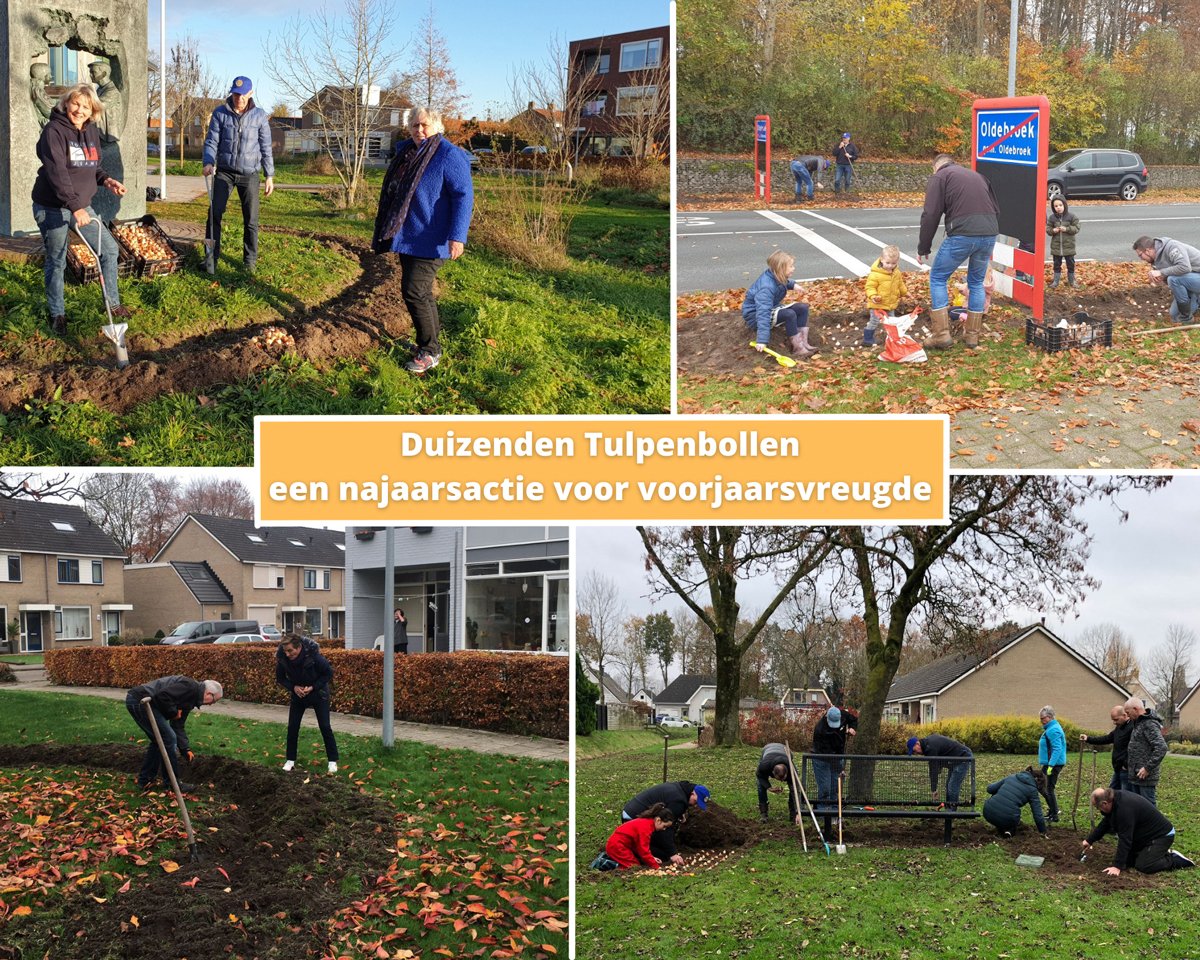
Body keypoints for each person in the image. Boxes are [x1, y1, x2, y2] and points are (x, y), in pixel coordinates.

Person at [371, 107, 474, 374]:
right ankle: (429, 344)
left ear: (437, 126)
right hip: (409, 236)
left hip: (432, 237)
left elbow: (463, 196)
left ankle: (430, 351)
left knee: (414, 291)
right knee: (421, 292)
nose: (419, 130)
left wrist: (457, 236)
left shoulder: (449, 155)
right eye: (414, 125)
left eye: (425, 125)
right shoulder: (407, 152)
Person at [31, 83, 131, 337]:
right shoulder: (54, 131)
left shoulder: (91, 131)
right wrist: (75, 206)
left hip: (81, 206)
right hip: (53, 206)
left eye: (86, 106)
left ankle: (113, 304)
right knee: (57, 258)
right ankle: (57, 313)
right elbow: (57, 172)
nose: (79, 110)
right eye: (75, 103)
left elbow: (91, 165)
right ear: (66, 104)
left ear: (93, 110)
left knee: (108, 250)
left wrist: (107, 180)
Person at [916, 154, 1000, 351]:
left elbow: (931, 214)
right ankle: (972, 337)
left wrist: (923, 247)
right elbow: (996, 208)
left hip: (963, 233)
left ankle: (941, 335)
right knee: (976, 283)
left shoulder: (940, 177)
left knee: (938, 277)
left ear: (935, 167)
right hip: (989, 232)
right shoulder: (977, 176)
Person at [202, 76, 275, 274]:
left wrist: (269, 175)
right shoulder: (220, 113)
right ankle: (211, 259)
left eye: (242, 95)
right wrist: (208, 162)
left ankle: (249, 263)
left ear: (250, 94)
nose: (238, 99)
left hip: (250, 174)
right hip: (224, 173)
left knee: (251, 220)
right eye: (235, 94)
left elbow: (266, 147)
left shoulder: (260, 116)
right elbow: (211, 141)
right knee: (213, 215)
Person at [126, 676, 223, 792]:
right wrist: (173, 712)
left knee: (160, 741)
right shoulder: (189, 687)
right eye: (214, 700)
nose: (212, 704)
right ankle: (172, 784)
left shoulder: (192, 699)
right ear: (209, 693)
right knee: (168, 738)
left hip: (143, 701)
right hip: (140, 700)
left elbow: (178, 725)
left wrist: (185, 748)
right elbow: (163, 696)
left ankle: (145, 780)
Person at [1082, 788, 1195, 876]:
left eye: (1097, 807)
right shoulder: (1114, 800)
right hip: (1144, 835)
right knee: (1129, 862)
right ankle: (1154, 853)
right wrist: (1090, 840)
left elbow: (1125, 838)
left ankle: (1173, 858)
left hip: (1162, 835)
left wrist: (1117, 866)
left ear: (1104, 803)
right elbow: (1106, 823)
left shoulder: (1124, 810)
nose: (1099, 810)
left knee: (1144, 866)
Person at [276, 633, 340, 774]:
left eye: (290, 651)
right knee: (293, 726)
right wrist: (293, 687)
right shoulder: (282, 659)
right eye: (285, 651)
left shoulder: (314, 656)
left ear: (299, 648)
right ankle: (290, 760)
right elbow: (280, 678)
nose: (287, 654)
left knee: (325, 726)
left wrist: (313, 687)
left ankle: (332, 761)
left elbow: (328, 673)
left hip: (318, 693)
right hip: (298, 695)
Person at [742, 250, 817, 358]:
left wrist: (793, 285)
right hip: (754, 315)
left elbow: (783, 282)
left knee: (802, 307)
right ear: (781, 269)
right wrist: (762, 340)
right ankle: (797, 348)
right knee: (789, 314)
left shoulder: (776, 276)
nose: (793, 268)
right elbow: (763, 313)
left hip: (772, 307)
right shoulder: (766, 288)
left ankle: (803, 343)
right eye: (791, 266)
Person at [621, 780, 710, 866]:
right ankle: (632, 849)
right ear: (693, 793)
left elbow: (669, 805)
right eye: (696, 801)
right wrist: (672, 853)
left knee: (662, 844)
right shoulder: (678, 802)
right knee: (662, 855)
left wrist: (679, 813)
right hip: (632, 819)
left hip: (630, 811)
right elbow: (667, 828)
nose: (696, 805)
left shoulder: (681, 788)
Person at [1132, 235, 1200, 324]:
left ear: (1147, 251)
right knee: (1174, 315)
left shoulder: (1172, 247)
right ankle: (1196, 299)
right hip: (1191, 281)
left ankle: (1187, 319)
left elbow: (1185, 267)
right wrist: (1163, 278)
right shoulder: (1154, 260)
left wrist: (1161, 272)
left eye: (1140, 255)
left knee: (1173, 279)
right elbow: (1173, 279)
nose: (1141, 259)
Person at [811, 706, 856, 820]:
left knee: (836, 785)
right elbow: (828, 753)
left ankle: (835, 811)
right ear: (826, 717)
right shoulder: (820, 730)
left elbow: (854, 720)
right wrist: (840, 768)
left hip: (837, 755)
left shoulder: (843, 715)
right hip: (822, 758)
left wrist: (851, 728)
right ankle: (823, 813)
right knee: (825, 786)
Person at [907, 733, 973, 808]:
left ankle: (951, 812)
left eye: (914, 751)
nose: (916, 753)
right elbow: (941, 753)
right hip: (955, 760)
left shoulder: (930, 748)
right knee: (949, 785)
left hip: (963, 758)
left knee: (952, 786)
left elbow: (933, 770)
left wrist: (934, 790)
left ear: (917, 743)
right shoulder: (927, 744)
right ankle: (949, 808)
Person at [1123, 696, 1168, 806]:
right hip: (1136, 775)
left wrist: (1147, 768)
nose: (1127, 716)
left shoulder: (1149, 724)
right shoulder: (1138, 723)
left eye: (1128, 713)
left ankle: (1159, 824)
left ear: (1135, 709)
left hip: (1145, 777)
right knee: (1138, 809)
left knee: (1149, 809)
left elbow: (1161, 747)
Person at [604, 803, 676, 869]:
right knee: (633, 867)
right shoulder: (646, 828)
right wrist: (656, 867)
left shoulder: (647, 823)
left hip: (619, 845)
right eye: (664, 826)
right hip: (617, 846)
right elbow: (643, 850)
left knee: (633, 864)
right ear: (658, 820)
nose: (664, 829)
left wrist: (652, 858)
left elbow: (639, 846)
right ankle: (607, 865)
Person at [982, 766, 1049, 838]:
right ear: (1038, 781)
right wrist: (1043, 832)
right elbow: (1038, 815)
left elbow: (989, 789)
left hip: (987, 811)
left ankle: (1001, 829)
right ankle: (1009, 831)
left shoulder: (1012, 777)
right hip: (1007, 818)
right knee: (1012, 816)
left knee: (1005, 810)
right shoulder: (1032, 790)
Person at [1081, 704, 1134, 793]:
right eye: (1113, 720)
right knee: (1111, 793)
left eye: (1116, 719)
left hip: (1126, 770)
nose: (1114, 722)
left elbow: (1134, 748)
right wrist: (1088, 739)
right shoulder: (1119, 727)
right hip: (1117, 768)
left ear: (1124, 715)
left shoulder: (1132, 728)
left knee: (1125, 794)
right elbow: (1107, 738)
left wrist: (1126, 764)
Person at [863, 245, 908, 346]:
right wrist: (873, 296)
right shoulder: (875, 274)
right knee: (874, 321)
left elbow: (900, 284)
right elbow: (870, 287)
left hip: (890, 304)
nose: (890, 266)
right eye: (887, 263)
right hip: (877, 305)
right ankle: (867, 339)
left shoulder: (896, 273)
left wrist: (905, 292)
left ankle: (892, 338)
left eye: (893, 263)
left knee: (891, 322)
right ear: (881, 260)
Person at [756, 742, 799, 824]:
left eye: (784, 778)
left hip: (785, 750)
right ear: (772, 773)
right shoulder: (764, 765)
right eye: (779, 779)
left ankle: (793, 815)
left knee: (794, 789)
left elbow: (796, 792)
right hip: (768, 749)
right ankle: (763, 814)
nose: (782, 781)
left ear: (787, 773)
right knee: (760, 785)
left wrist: (798, 813)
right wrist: (768, 787)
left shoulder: (792, 770)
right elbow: (760, 776)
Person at [1037, 706, 1068, 823]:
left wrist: (1050, 765)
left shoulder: (1053, 729)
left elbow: (1057, 749)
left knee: (1047, 788)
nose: (1041, 721)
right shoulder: (1051, 728)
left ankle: (1054, 814)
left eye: (1043, 718)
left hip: (1053, 764)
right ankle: (1052, 811)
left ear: (1049, 717)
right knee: (1044, 787)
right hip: (1050, 763)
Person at [88, 60, 125, 144]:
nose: (90, 75)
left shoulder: (112, 91)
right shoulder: (100, 89)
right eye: (90, 72)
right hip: (99, 134)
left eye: (93, 72)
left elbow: (97, 106)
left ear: (104, 74)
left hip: (107, 135)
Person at [1046, 196, 1080, 288]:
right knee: (1056, 264)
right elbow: (1048, 229)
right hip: (1056, 247)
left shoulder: (1071, 216)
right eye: (1056, 206)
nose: (1058, 207)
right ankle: (1056, 281)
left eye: (1060, 205)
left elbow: (1077, 228)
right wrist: (1053, 230)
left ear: (1064, 205)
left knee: (1070, 264)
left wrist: (1067, 229)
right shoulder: (1052, 218)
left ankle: (1072, 281)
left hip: (1069, 246)